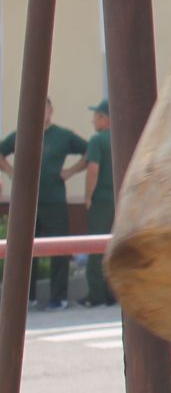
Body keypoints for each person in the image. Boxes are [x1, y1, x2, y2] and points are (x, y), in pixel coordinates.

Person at [0, 99, 90, 311]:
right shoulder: (23, 133)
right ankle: (26, 297)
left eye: (46, 108)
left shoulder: (63, 135)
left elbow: (89, 151)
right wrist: (11, 171)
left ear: (51, 110)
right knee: (24, 249)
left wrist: (71, 171)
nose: (43, 113)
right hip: (27, 202)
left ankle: (57, 297)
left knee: (58, 248)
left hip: (55, 201)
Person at [78, 99, 115, 307]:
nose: (93, 121)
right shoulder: (123, 137)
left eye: (95, 117)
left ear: (104, 118)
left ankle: (96, 295)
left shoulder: (98, 140)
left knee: (96, 246)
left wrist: (88, 196)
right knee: (115, 247)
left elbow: (93, 169)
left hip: (101, 200)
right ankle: (113, 293)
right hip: (121, 201)